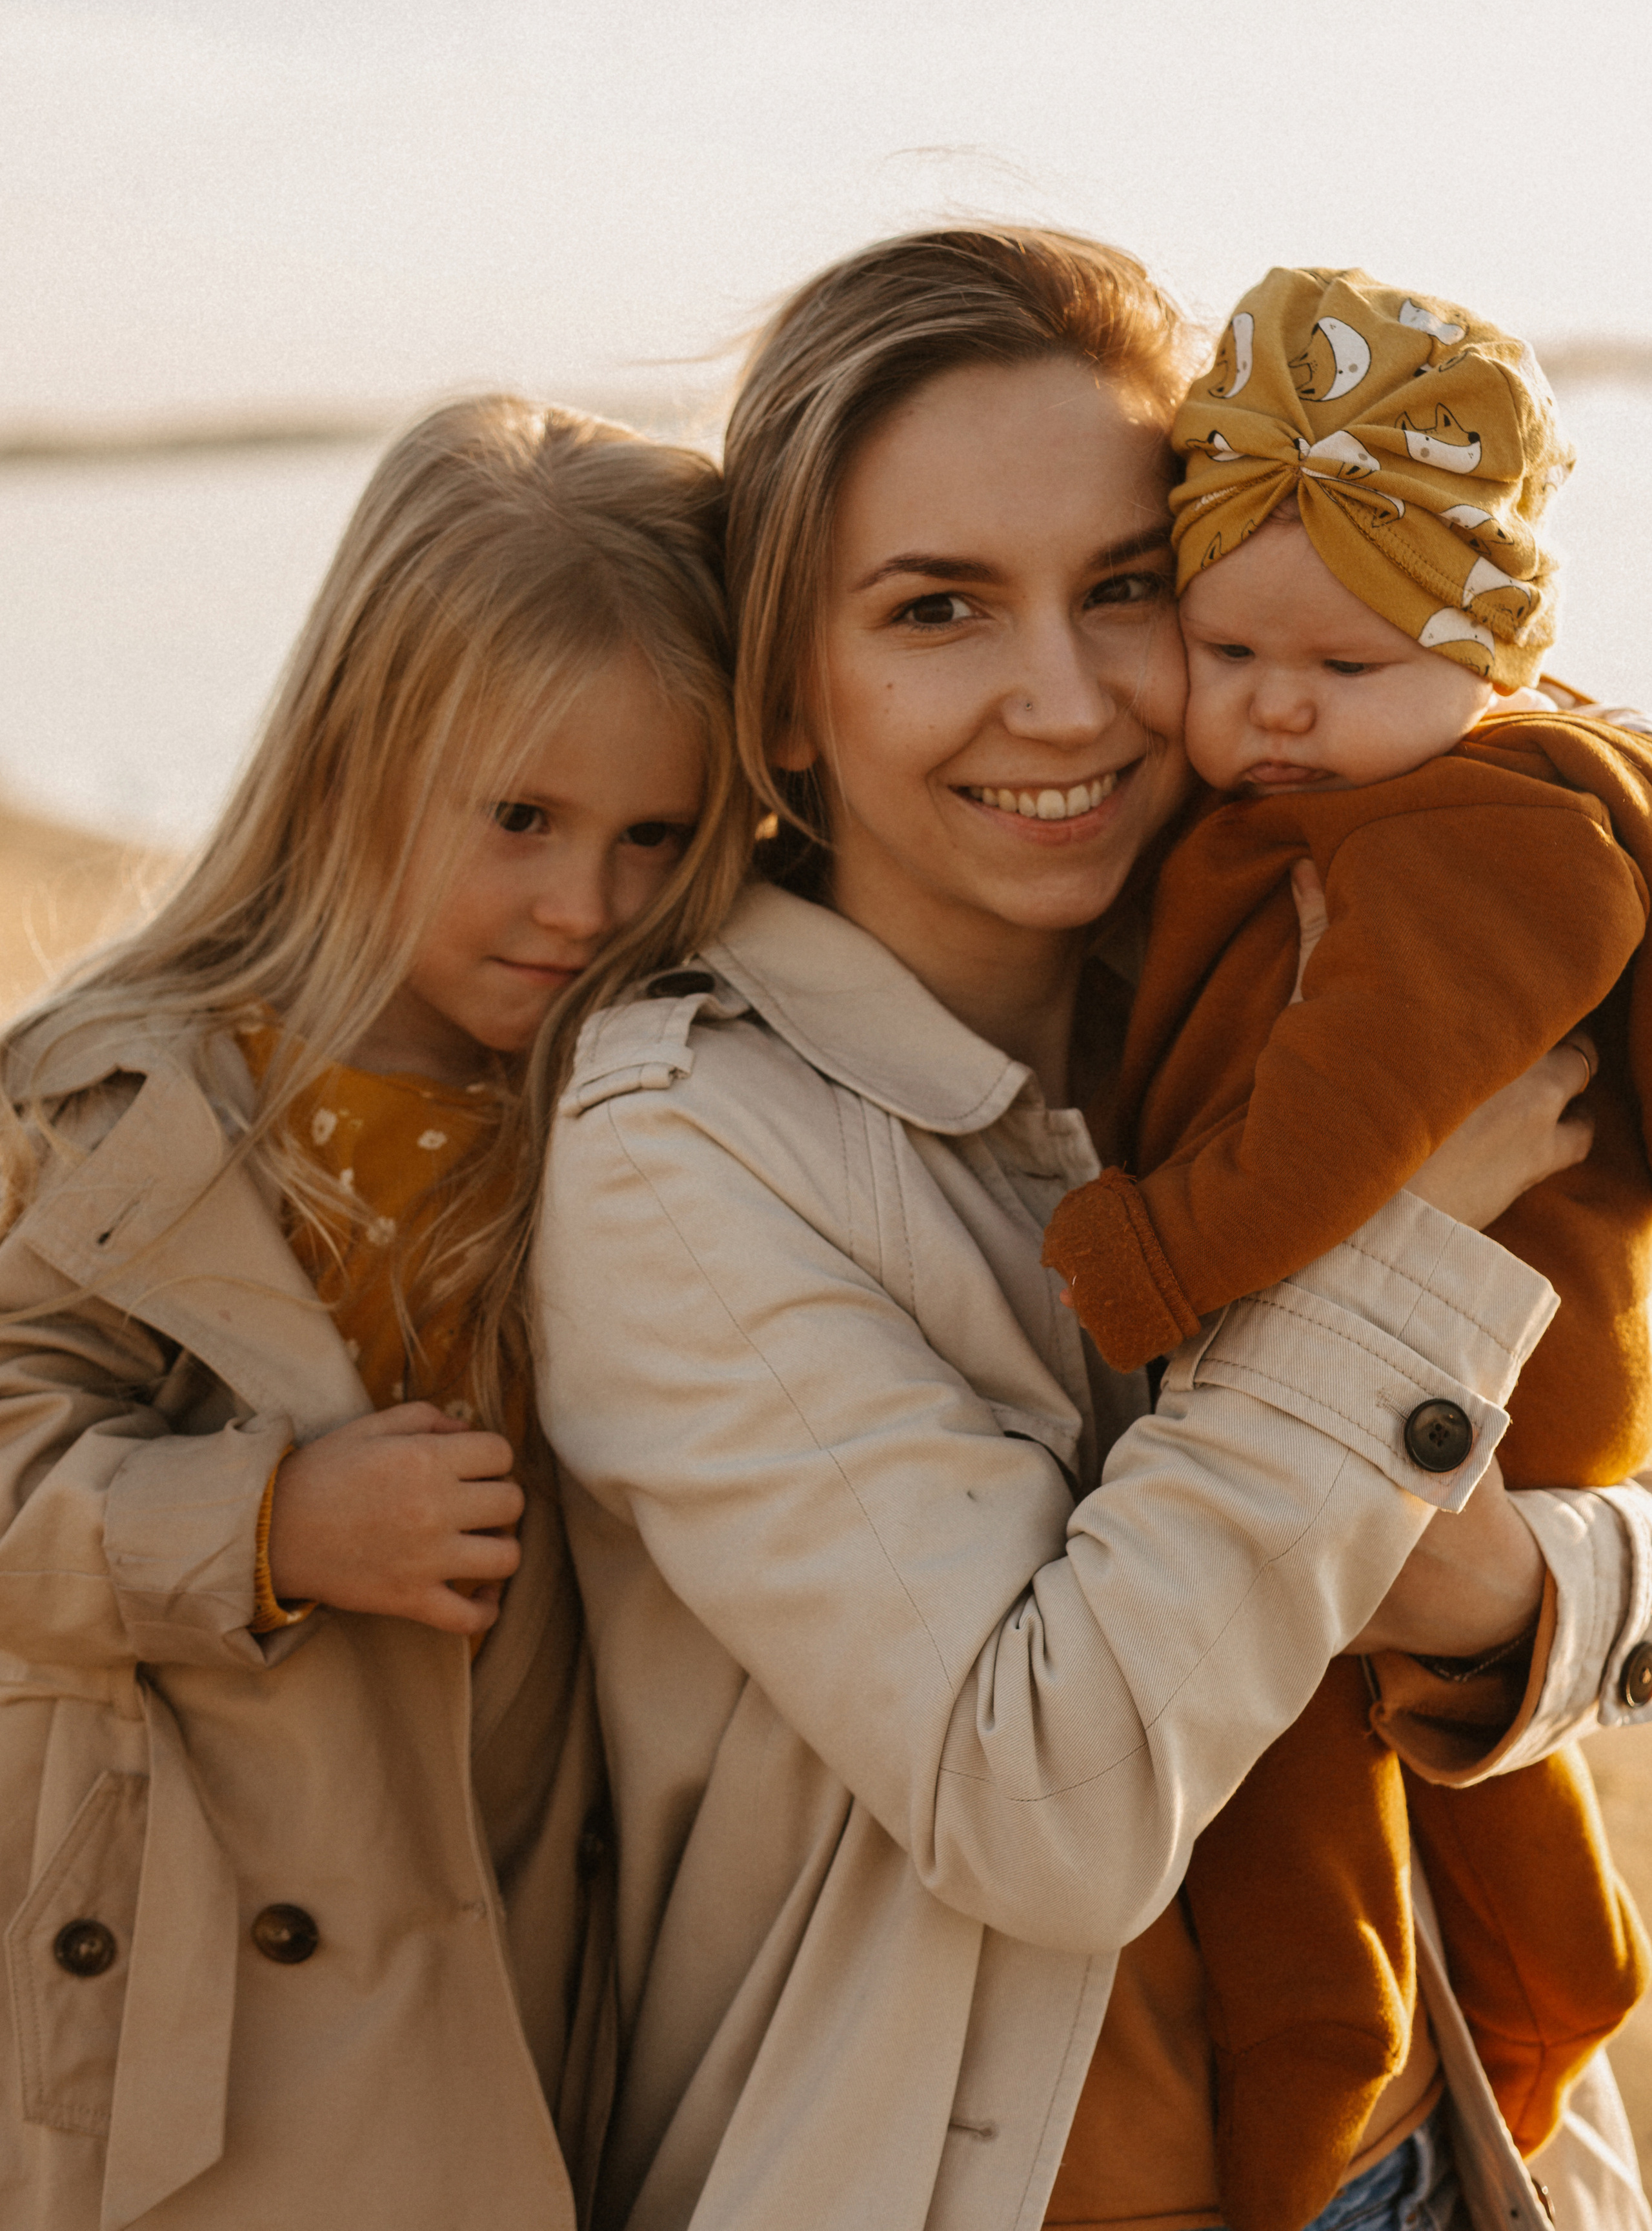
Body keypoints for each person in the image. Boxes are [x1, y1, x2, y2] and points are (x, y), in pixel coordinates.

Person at [534, 228, 1652, 2231]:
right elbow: (1043, 1808)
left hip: (1450, 2156)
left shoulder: (1316, 977)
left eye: (1128, 589)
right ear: (783, 696)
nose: (1062, 702)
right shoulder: (687, 1154)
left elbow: (1601, 1501)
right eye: (938, 608)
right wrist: (1392, 1254)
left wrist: (1516, 1604)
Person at [0, 396, 755, 2231]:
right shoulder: (119, 1103)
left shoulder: (654, 1110)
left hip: (512, 1967)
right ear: (354, 754)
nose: (584, 902)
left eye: (656, 835)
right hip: (191, 2033)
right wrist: (268, 1524)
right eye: (521, 819)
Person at [1041, 265, 1652, 2228]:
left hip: (1459, 1383)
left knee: (1312, 1816)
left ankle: (1331, 2130)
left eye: (1353, 663)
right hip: (1416, 1392)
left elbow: (1335, 1131)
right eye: (1227, 648)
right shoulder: (1365, 802)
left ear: (1496, 653)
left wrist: (1144, 1264)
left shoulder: (1475, 845)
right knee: (1443, 1783)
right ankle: (1532, 2011)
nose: (1277, 706)